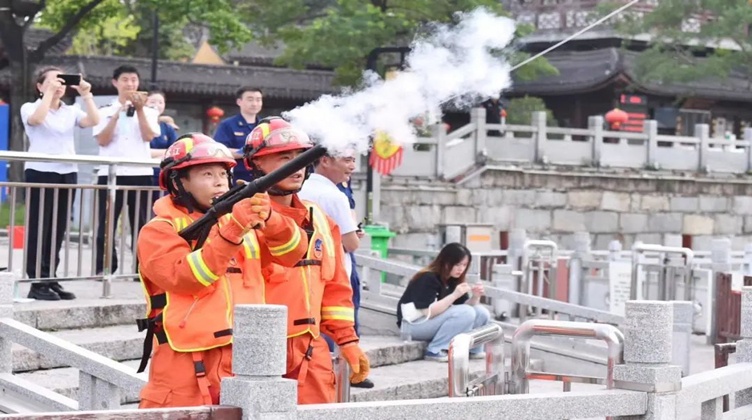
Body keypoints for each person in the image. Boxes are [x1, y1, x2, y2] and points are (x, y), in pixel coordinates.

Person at [136, 133, 308, 408]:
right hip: (184, 365)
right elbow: (187, 279)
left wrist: (272, 218)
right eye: (207, 174)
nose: (219, 181)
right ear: (178, 182)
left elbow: (293, 254)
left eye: (223, 174)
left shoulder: (236, 221)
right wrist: (233, 230)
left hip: (242, 360)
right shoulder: (159, 229)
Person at [242, 116, 371, 404]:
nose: (296, 166)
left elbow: (335, 291)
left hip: (311, 351)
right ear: (256, 165)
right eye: (283, 158)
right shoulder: (238, 217)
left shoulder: (321, 220)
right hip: (253, 353)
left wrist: (348, 341)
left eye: (300, 158)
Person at [20, 67, 100, 301]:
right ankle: (35, 280)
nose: (60, 85)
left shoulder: (71, 110)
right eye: (54, 80)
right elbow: (36, 120)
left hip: (67, 172)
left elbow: (92, 120)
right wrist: (49, 95)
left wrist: (86, 95)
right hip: (40, 172)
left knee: (58, 228)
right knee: (39, 226)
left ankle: (49, 277)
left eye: (63, 81)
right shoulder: (30, 107)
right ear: (40, 85)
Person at [298, 151, 374, 389]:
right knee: (341, 321)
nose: (352, 166)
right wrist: (355, 235)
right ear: (325, 160)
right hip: (336, 267)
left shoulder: (302, 188)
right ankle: (350, 372)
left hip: (306, 269)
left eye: (353, 160)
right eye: (347, 160)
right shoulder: (334, 195)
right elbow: (350, 243)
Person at [93, 65, 160, 277]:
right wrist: (116, 115)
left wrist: (139, 109)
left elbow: (149, 136)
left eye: (133, 80)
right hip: (110, 173)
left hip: (139, 173)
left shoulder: (150, 112)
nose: (130, 84)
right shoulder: (103, 111)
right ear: (115, 82)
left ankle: (142, 269)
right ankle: (104, 269)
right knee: (106, 224)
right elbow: (102, 140)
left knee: (142, 224)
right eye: (125, 80)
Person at [396, 242, 491, 362]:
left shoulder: (453, 279)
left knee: (481, 311)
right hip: (412, 326)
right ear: (445, 262)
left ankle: (472, 349)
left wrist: (475, 297)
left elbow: (464, 308)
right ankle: (435, 350)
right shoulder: (427, 278)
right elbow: (428, 312)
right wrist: (454, 295)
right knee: (466, 312)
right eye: (457, 264)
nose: (461, 269)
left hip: (430, 323)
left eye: (464, 265)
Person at [213, 87, 264, 184]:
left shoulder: (265, 126)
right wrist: (245, 152)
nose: (254, 103)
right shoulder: (227, 125)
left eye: (258, 100)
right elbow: (219, 151)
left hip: (263, 177)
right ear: (239, 101)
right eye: (250, 99)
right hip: (237, 178)